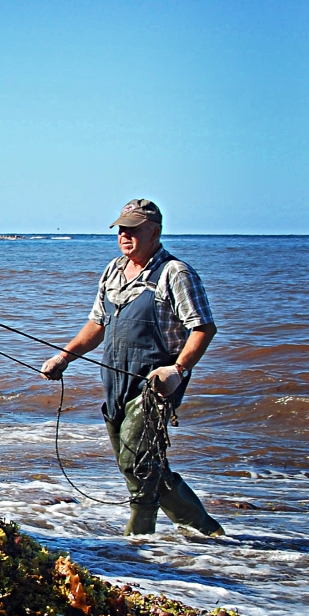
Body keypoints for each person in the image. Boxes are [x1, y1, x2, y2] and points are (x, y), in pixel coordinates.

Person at [40, 199, 224, 536]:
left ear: (154, 232)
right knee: (144, 464)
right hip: (114, 381)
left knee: (135, 461)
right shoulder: (113, 270)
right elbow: (97, 324)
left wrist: (178, 370)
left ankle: (138, 541)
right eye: (121, 229)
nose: (125, 236)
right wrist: (63, 357)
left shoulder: (175, 273)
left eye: (133, 229)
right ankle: (203, 530)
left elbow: (203, 327)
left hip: (155, 384)